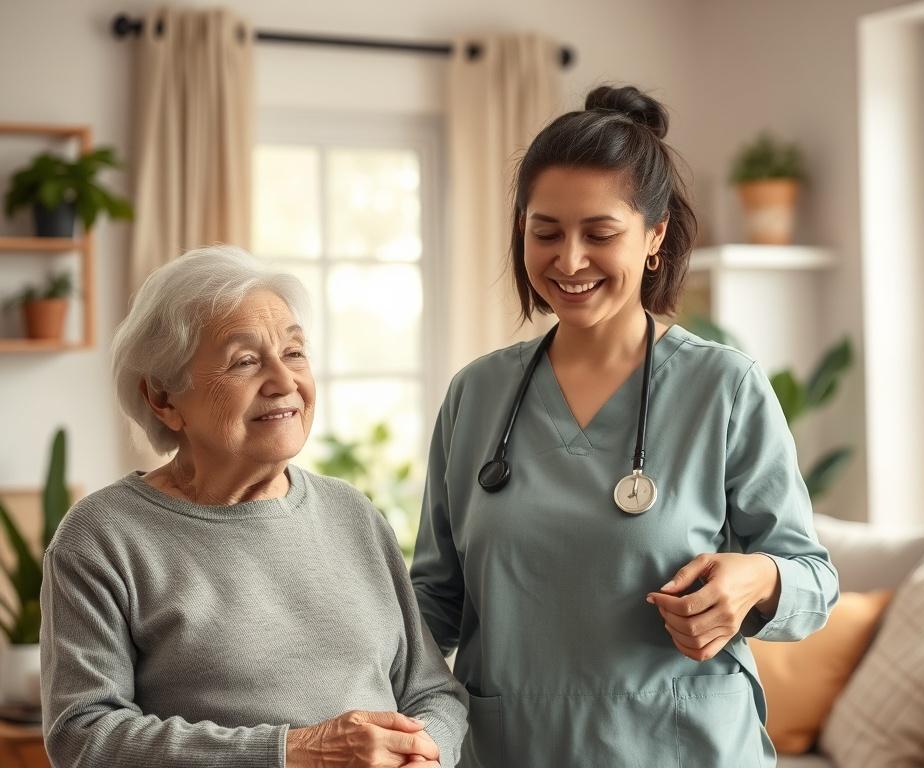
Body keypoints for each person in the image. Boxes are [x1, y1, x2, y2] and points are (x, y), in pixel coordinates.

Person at [410, 86, 839, 767]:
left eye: (599, 234)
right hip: (515, 747)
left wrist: (756, 578)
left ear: (655, 236)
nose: (569, 260)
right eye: (544, 231)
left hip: (683, 748)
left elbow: (814, 579)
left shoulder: (722, 388)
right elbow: (432, 601)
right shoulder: (477, 395)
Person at [41, 245, 467, 768]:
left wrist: (425, 754)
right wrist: (291, 752)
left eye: (293, 353)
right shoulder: (104, 536)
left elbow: (433, 693)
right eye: (245, 361)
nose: (285, 382)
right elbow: (84, 736)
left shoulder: (351, 514)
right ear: (163, 399)